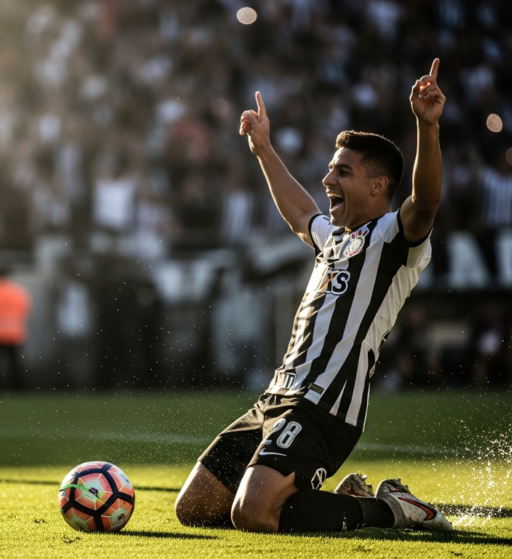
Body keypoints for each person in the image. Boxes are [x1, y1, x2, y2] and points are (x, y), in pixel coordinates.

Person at [174, 60, 451, 533]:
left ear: (378, 185)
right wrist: (263, 149)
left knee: (253, 515)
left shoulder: (393, 239)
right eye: (329, 171)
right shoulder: (336, 238)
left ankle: (396, 510)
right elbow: (299, 212)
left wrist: (427, 126)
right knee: (195, 509)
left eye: (341, 173)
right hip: (276, 396)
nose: (328, 182)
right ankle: (325, 500)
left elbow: (425, 203)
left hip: (327, 406)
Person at [0, 268, 31, 390]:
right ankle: (18, 388)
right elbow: (25, 310)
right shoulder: (19, 291)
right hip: (14, 332)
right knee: (15, 363)